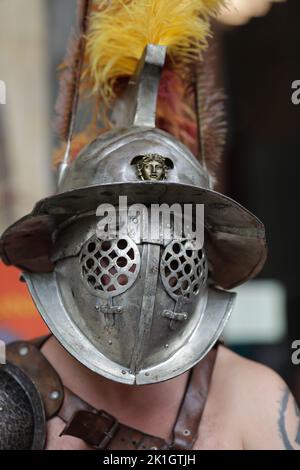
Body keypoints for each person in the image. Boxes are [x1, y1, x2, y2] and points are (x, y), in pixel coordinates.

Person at [0, 0, 299, 451]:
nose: (144, 275)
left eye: (176, 258)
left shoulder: (254, 398)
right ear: (62, 245)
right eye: (115, 250)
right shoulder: (12, 402)